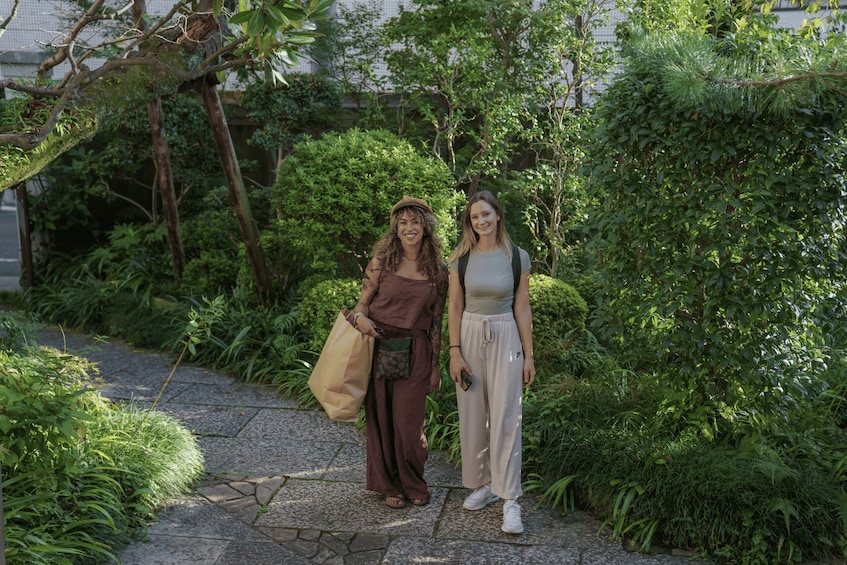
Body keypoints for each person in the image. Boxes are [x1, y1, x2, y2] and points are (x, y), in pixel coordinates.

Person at [447, 190, 536, 535]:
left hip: (505, 336)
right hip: (469, 335)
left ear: (498, 215)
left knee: (506, 416)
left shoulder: (517, 257)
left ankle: (510, 499)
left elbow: (523, 307)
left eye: (486, 214)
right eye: (474, 217)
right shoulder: (461, 259)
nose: (480, 221)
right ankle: (482, 485)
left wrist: (529, 355)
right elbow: (454, 307)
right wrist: (455, 351)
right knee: (472, 413)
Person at [351, 196, 448, 509]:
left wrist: (435, 367)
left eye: (415, 222)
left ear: (425, 227)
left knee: (408, 426)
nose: (409, 228)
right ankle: (391, 486)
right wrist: (362, 319)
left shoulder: (438, 270)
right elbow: (361, 305)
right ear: (396, 228)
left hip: (417, 350)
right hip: (380, 345)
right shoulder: (382, 261)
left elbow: (436, 321)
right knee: (382, 421)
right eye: (403, 222)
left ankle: (414, 483)